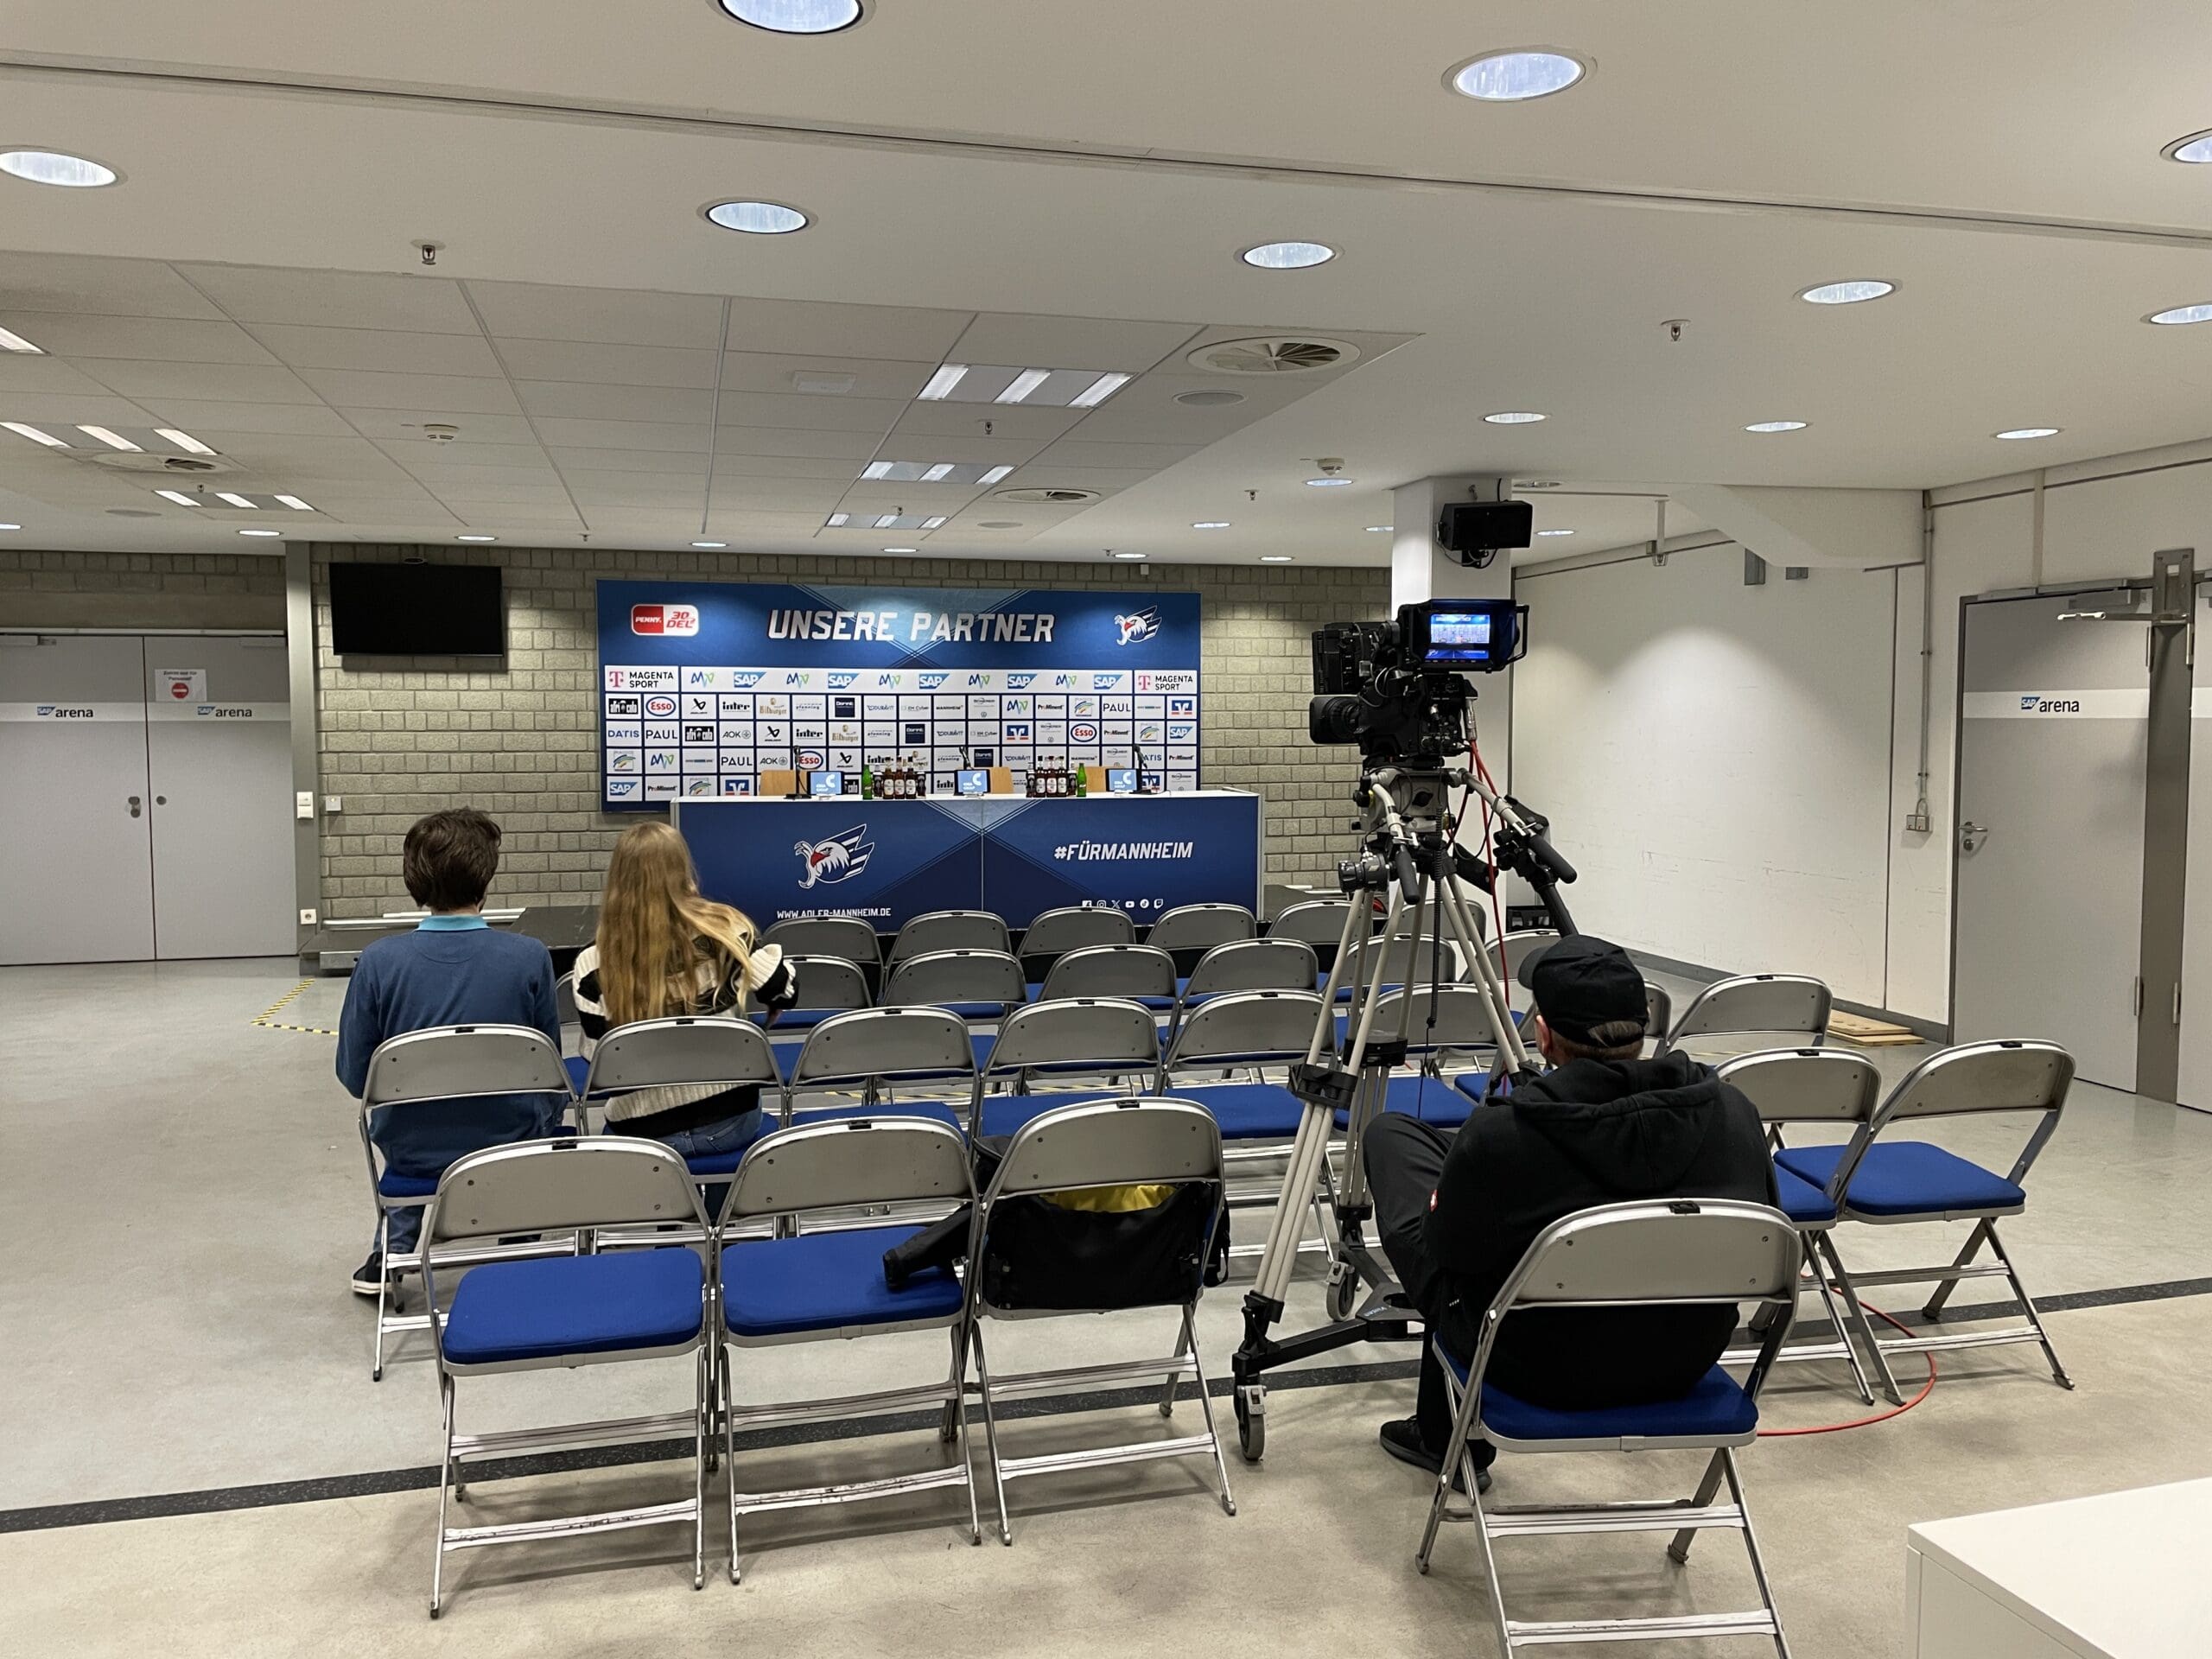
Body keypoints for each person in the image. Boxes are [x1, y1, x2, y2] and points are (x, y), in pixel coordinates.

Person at [1362, 934, 1778, 1487]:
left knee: (1396, 1147)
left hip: (1533, 1365)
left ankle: (1448, 1442)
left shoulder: (1503, 1137)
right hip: (1684, 1357)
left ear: (1543, 1035)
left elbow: (1449, 1251)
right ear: (1644, 1025)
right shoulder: (1732, 1113)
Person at [336, 807, 563, 1296]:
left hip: (413, 1148)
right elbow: (551, 1072)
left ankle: (395, 1245)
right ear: (487, 877)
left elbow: (356, 1076)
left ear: (413, 881)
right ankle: (520, 1234)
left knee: (410, 1136)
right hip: (510, 1142)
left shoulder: (377, 963)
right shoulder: (529, 958)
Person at [569, 822, 796, 1182]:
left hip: (640, 1130)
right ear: (683, 871)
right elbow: (785, 992)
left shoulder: (592, 964)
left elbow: (601, 1066)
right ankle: (727, 1230)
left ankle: (664, 1233)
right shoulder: (727, 932)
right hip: (731, 1122)